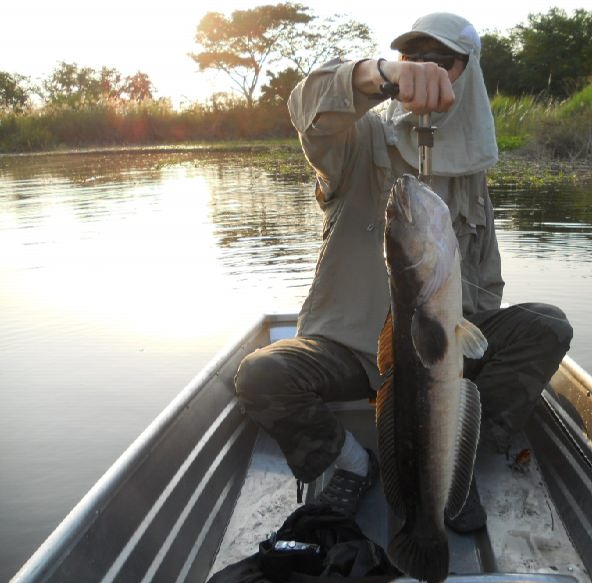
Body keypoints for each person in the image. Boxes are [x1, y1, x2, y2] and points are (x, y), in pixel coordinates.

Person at [234, 12, 573, 532]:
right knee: (264, 374)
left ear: (470, 72)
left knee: (546, 326)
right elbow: (307, 107)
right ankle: (350, 463)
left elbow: (485, 291)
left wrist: (461, 354)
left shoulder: (472, 179)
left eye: (443, 61)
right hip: (347, 348)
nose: (426, 69)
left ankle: (459, 470)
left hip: (436, 352)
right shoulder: (358, 139)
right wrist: (381, 74)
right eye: (414, 58)